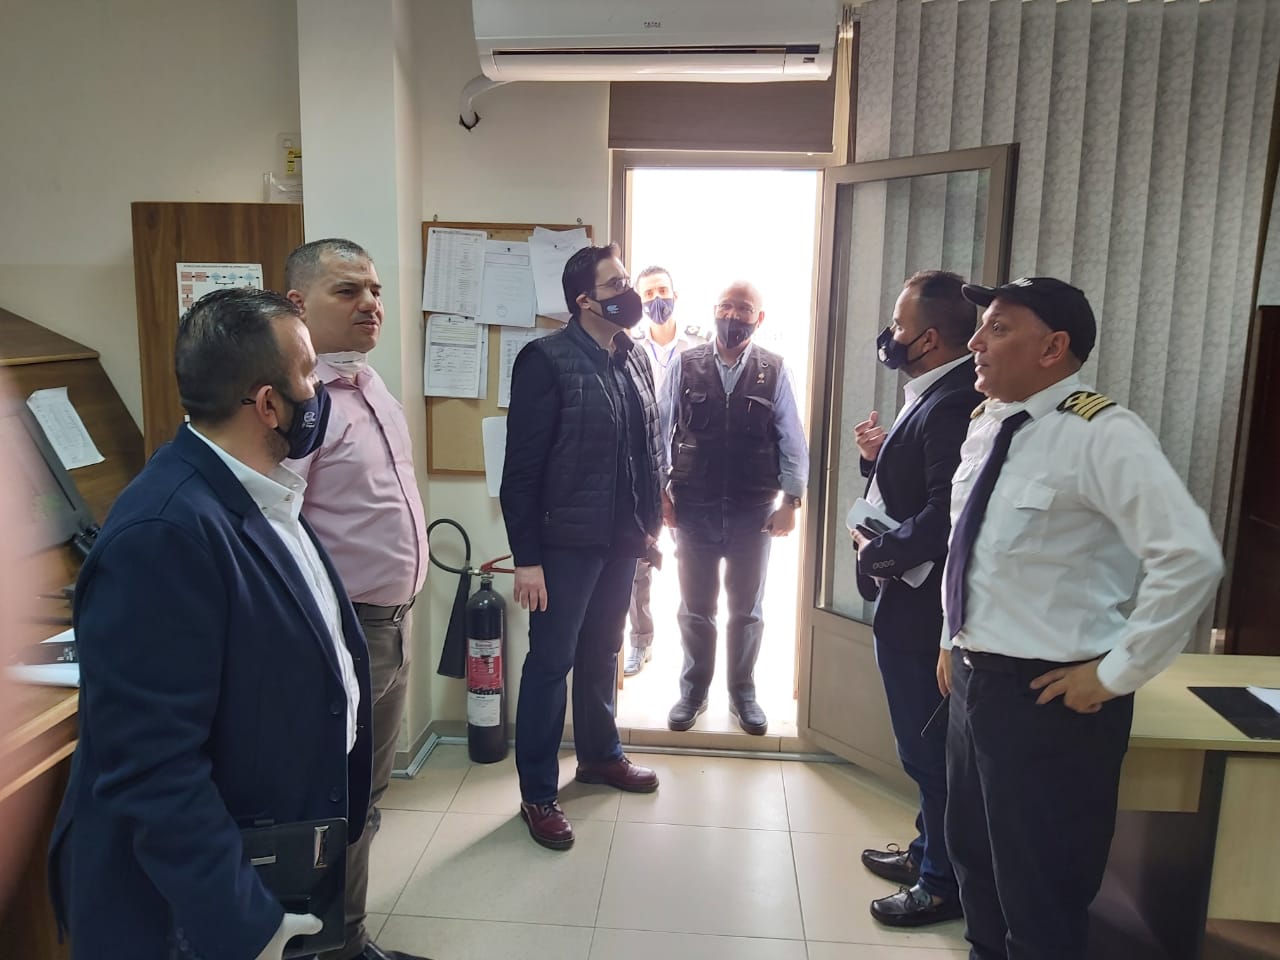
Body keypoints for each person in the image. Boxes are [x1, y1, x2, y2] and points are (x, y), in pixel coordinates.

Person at [48, 288, 373, 960]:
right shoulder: (164, 532)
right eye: (308, 373)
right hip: (191, 912)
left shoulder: (258, 492)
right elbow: (152, 769)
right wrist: (249, 924)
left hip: (267, 851)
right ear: (268, 404)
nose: (319, 391)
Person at [940, 277, 1224, 960]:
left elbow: (1190, 558)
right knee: (975, 866)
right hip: (977, 685)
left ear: (1053, 347)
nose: (975, 342)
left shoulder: (1103, 434)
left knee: (1039, 895)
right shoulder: (989, 424)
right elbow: (969, 550)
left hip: (1050, 701)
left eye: (998, 328)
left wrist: (1116, 673)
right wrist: (952, 638)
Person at [283, 238, 430, 960]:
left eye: (373, 289)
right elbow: (277, 528)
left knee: (365, 799)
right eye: (347, 291)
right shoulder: (300, 406)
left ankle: (347, 941)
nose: (370, 303)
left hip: (392, 626)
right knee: (333, 803)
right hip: (342, 634)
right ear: (298, 305)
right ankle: (326, 947)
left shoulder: (369, 386)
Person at [501, 243, 663, 851]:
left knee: (603, 651)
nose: (629, 292)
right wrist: (527, 559)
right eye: (615, 284)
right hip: (564, 546)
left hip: (620, 539)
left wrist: (650, 523)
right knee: (551, 662)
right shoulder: (545, 360)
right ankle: (538, 793)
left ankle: (600, 756)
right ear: (585, 301)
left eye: (626, 279)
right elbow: (521, 471)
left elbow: (646, 447)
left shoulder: (633, 355)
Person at [851, 271, 981, 927]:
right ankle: (927, 851)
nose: (891, 334)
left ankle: (940, 883)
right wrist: (877, 461)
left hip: (925, 612)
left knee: (929, 753)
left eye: (900, 325)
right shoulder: (931, 393)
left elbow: (944, 517)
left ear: (928, 339)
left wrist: (875, 554)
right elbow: (918, 487)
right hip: (908, 599)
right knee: (923, 745)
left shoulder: (954, 401)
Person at [661, 280, 810, 736]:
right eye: (726, 306)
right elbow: (659, 430)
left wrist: (792, 501)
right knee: (695, 607)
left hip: (753, 513)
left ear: (758, 318)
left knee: (747, 610)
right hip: (693, 509)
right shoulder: (686, 364)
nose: (733, 316)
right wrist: (659, 493)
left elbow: (792, 438)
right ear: (714, 310)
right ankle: (693, 691)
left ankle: (742, 692)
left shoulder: (774, 369)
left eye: (743, 309)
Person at [623, 264, 704, 676]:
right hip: (645, 471)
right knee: (639, 563)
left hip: (690, 472)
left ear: (675, 294)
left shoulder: (699, 346)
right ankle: (641, 640)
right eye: (649, 294)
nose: (657, 300)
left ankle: (696, 657)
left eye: (662, 291)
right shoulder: (628, 349)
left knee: (695, 564)